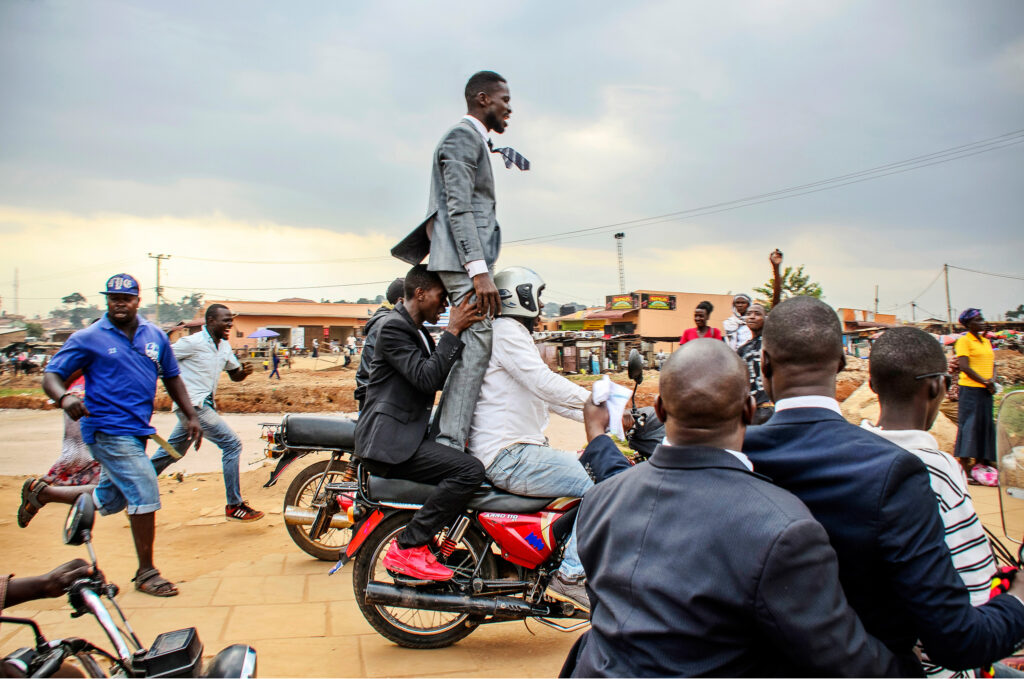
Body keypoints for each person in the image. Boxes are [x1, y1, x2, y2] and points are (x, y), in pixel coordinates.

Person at [564, 340, 904, 677]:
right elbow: (843, 658)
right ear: (749, 410)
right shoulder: (783, 527)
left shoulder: (601, 501)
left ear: (661, 409)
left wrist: (597, 436)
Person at [743, 296, 1024, 672]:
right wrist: (1019, 595)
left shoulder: (735, 458)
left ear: (763, 364)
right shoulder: (895, 470)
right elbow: (957, 642)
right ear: (842, 365)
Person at [23, 274, 202, 598]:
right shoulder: (88, 337)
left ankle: (43, 493)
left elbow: (173, 377)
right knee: (144, 484)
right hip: (104, 429)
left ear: (137, 299)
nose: (119, 303)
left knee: (112, 498)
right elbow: (52, 375)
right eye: (113, 298)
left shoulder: (155, 336)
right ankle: (146, 573)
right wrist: (65, 397)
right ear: (107, 301)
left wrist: (191, 415)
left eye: (126, 298)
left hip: (137, 431)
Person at [467, 267, 630, 612]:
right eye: (537, 295)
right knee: (604, 484)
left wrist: (610, 421)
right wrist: (599, 403)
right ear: (519, 295)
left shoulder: (514, 335)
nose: (540, 304)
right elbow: (543, 382)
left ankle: (559, 560)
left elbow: (549, 397)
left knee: (589, 471)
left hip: (516, 451)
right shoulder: (507, 330)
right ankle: (570, 574)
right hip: (509, 454)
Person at [392, 70, 527, 453]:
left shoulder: (477, 142)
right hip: (461, 261)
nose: (509, 108)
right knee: (481, 337)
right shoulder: (461, 137)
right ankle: (450, 441)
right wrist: (478, 270)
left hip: (463, 260)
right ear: (483, 99)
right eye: (505, 99)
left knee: (473, 341)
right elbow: (458, 208)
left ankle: (448, 431)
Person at [866, 326, 1006, 678]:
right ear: (937, 387)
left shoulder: (852, 455)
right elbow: (976, 593)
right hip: (937, 664)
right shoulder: (937, 469)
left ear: (872, 386)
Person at [355, 264, 486, 581]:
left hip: (405, 436)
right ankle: (409, 545)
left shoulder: (417, 331)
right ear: (420, 293)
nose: (444, 307)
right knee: (470, 471)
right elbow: (427, 379)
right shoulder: (391, 328)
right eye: (442, 298)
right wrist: (453, 330)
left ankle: (433, 542)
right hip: (389, 444)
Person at [150, 304, 263, 522]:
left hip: (202, 407)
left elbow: (234, 374)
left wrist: (244, 373)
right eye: (225, 320)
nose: (230, 324)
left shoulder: (224, 347)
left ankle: (132, 487)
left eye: (231, 320)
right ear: (210, 321)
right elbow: (161, 359)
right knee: (232, 444)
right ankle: (234, 505)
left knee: (173, 453)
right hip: (193, 406)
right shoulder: (191, 343)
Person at [954, 308, 999, 486]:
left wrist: (992, 382)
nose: (982, 322)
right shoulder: (964, 341)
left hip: (986, 391)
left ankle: (983, 463)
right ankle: (965, 469)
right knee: (969, 426)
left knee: (985, 426)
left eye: (982, 319)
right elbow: (964, 366)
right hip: (971, 390)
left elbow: (993, 364)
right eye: (978, 320)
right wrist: (984, 382)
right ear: (968, 324)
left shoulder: (986, 342)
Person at [355, 278, 405, 411]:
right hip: (376, 406)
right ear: (401, 301)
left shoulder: (387, 320)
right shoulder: (387, 324)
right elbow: (370, 373)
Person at [736, 303, 774, 424]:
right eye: (748, 314)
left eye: (757, 314)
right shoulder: (742, 349)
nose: (752, 317)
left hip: (770, 406)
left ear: (766, 318)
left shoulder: (772, 343)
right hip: (752, 409)